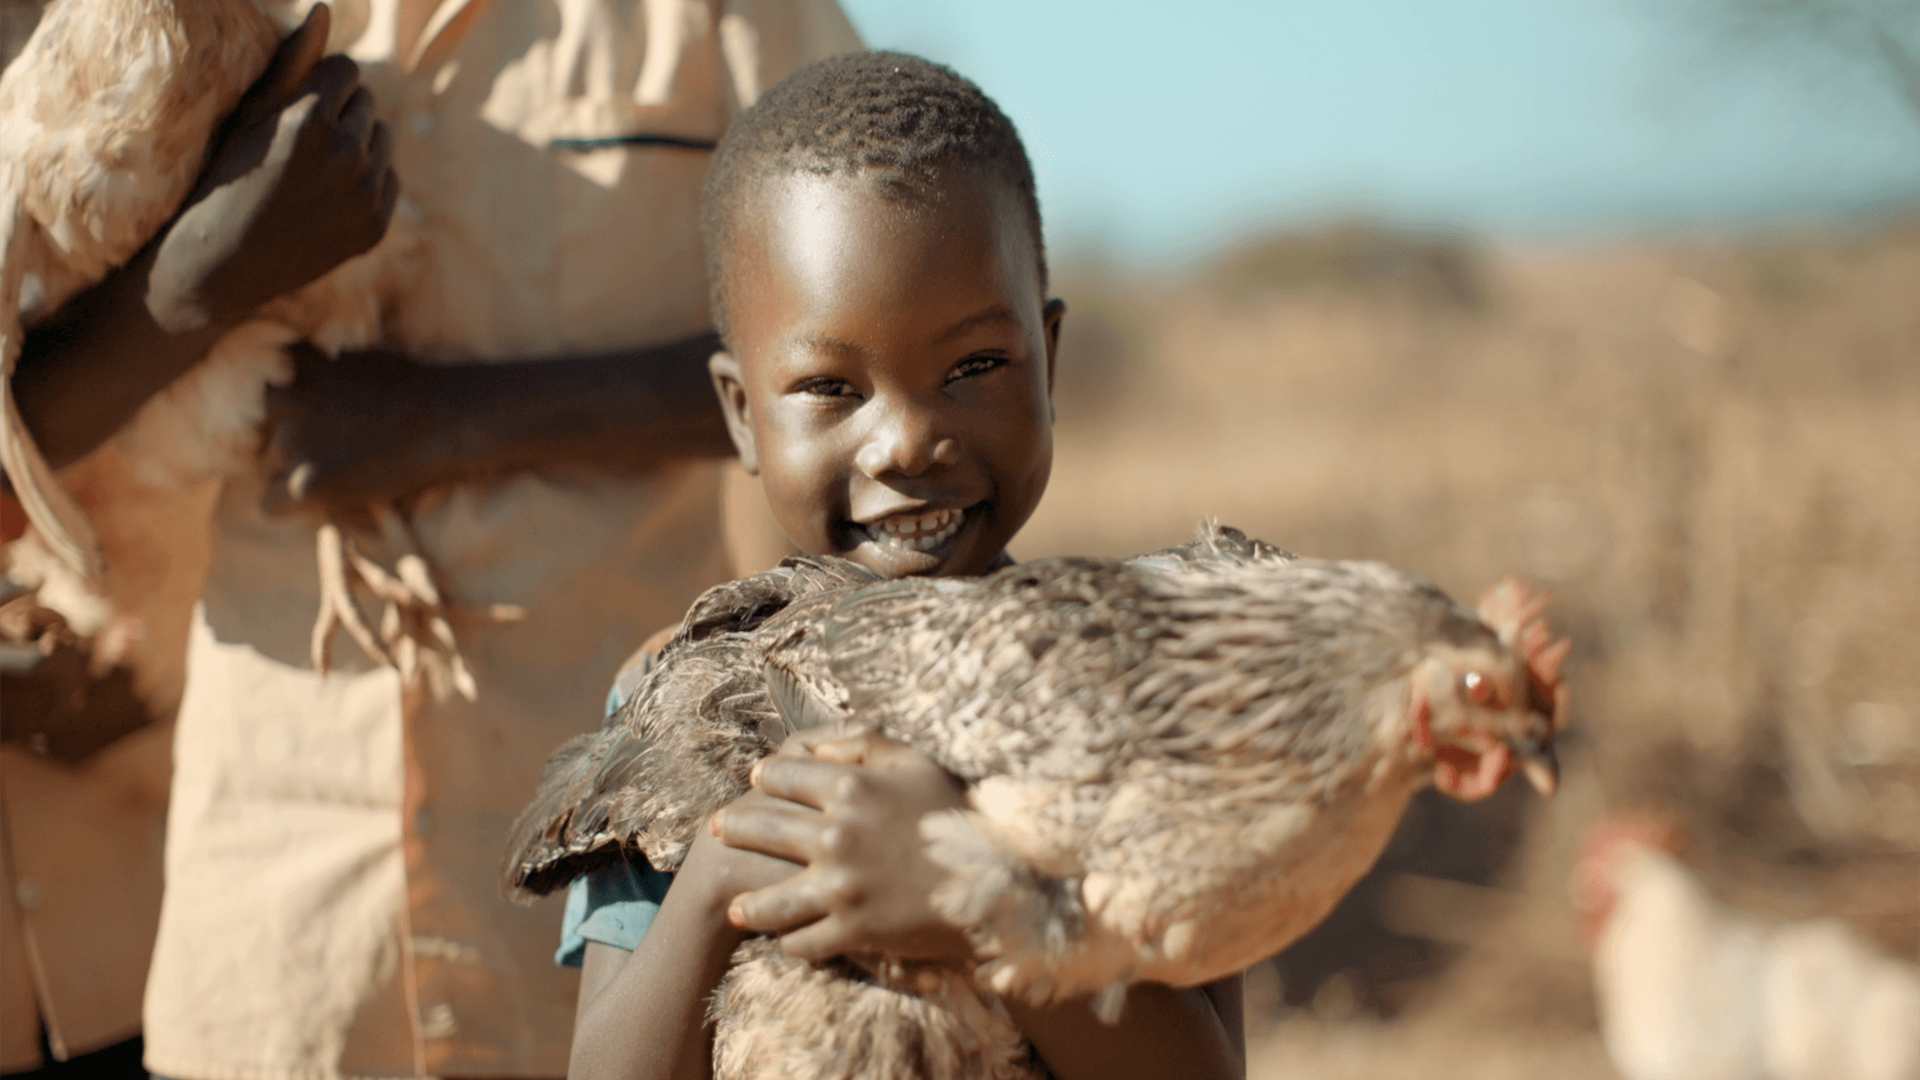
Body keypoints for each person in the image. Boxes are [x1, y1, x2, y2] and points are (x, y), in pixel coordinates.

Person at [8, 2, 860, 1078]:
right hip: (269, 943)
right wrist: (194, 275)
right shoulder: (197, 16)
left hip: (598, 912)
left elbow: (872, 334)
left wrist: (453, 420)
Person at [556, 53, 1247, 1080]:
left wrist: (980, 894)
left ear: (1050, 362)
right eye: (832, 387)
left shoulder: (1131, 694)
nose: (909, 442)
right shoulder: (688, 701)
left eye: (973, 368)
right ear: (743, 414)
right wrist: (712, 886)